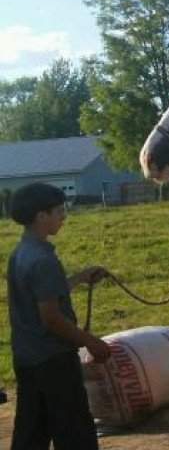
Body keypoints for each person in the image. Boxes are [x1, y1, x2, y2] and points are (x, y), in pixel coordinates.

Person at [6, 182, 112, 450]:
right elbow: (51, 318)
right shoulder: (44, 260)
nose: (63, 216)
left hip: (27, 358)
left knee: (32, 427)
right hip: (54, 358)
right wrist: (91, 341)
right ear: (41, 216)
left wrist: (80, 277)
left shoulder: (21, 253)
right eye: (58, 211)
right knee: (74, 429)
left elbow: (42, 295)